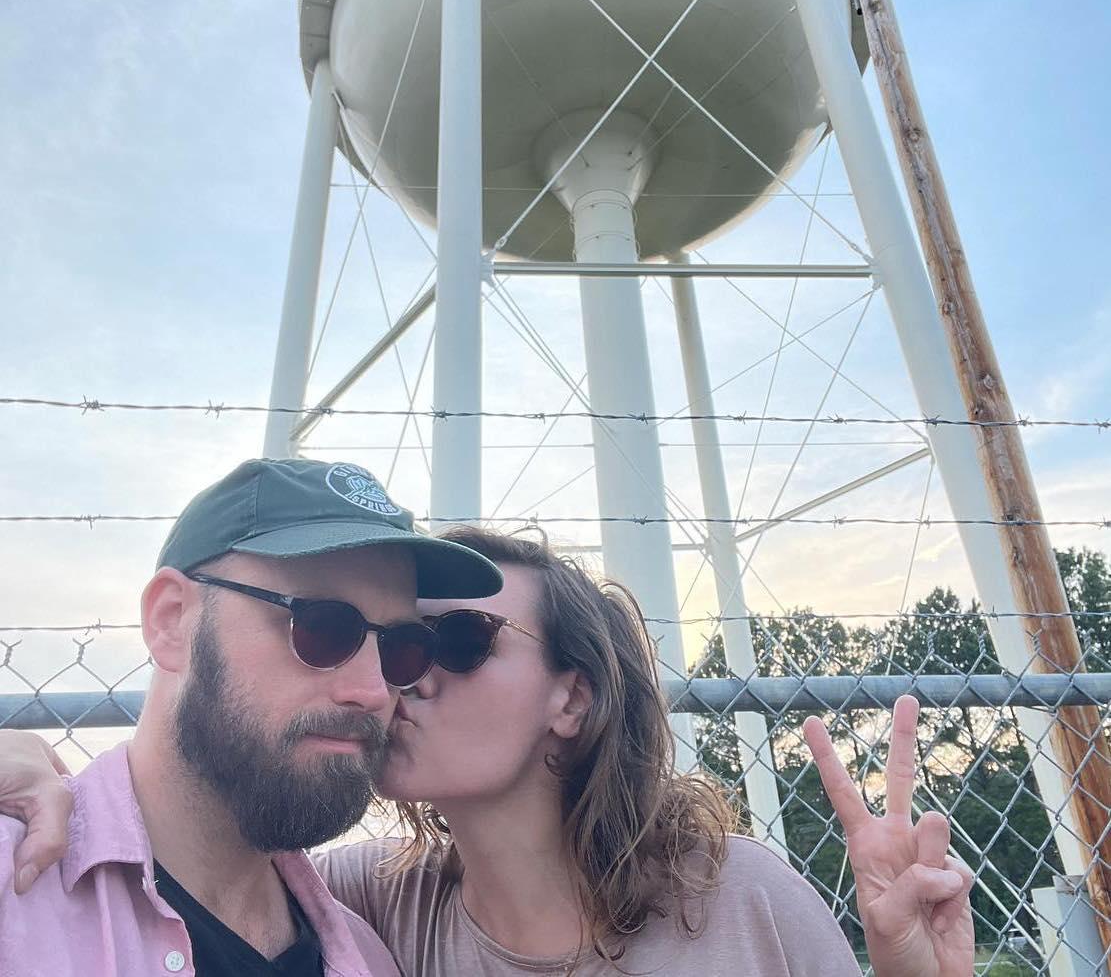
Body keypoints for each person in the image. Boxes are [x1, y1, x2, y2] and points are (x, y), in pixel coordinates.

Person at [1, 500, 974, 975]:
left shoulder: (738, 901)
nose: (388, 678)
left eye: (442, 641)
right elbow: (181, 839)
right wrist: (29, 765)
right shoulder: (370, 900)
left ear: (570, 700)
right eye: (331, 630)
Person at [0, 457, 504, 976]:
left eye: (403, 647)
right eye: (323, 627)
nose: (374, 690)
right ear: (171, 621)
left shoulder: (367, 955)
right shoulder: (15, 891)